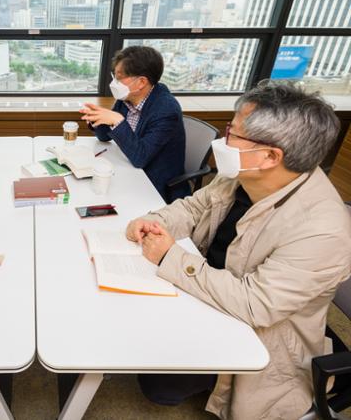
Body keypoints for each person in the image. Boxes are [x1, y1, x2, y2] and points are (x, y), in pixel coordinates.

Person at [126, 81, 351, 419]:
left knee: (158, 384)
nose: (223, 140)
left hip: (261, 332)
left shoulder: (322, 230)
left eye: (233, 133)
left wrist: (170, 257)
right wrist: (153, 220)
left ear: (271, 156)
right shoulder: (247, 174)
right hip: (214, 286)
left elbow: (253, 305)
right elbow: (192, 207)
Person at [80, 45, 188, 203]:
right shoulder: (127, 98)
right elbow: (104, 137)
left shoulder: (166, 110)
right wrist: (97, 119)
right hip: (128, 167)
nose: (114, 83)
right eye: (114, 76)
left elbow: (140, 157)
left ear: (141, 82)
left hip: (153, 184)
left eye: (119, 77)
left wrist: (116, 120)